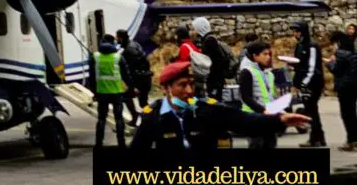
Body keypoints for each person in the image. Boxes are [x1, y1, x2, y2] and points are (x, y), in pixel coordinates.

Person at [131, 61, 310, 153]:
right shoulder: (151, 116)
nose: (189, 90)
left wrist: (280, 121)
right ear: (166, 88)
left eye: (191, 85)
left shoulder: (207, 110)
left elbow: (245, 121)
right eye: (182, 85)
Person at [89, 33, 135, 148]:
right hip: (116, 93)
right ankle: (121, 142)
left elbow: (92, 78)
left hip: (101, 92)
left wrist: (94, 92)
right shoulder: (118, 57)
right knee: (118, 118)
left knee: (101, 119)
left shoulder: (95, 57)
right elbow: (126, 75)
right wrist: (131, 88)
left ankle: (98, 143)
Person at [291, 20, 327, 147]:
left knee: (311, 110)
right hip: (305, 82)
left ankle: (315, 138)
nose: (295, 34)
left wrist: (304, 83)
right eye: (294, 31)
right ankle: (318, 137)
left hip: (313, 82)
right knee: (312, 110)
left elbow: (312, 67)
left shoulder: (311, 46)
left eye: (297, 31)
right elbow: (299, 64)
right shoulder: (299, 45)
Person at [238, 41, 278, 149]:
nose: (268, 57)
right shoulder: (247, 72)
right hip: (253, 118)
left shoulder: (269, 74)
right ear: (255, 56)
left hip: (268, 117)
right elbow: (246, 97)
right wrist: (262, 110)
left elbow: (270, 97)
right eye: (264, 54)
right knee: (256, 146)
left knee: (271, 144)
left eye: (269, 54)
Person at [116, 29, 152, 127]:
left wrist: (133, 86)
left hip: (140, 79)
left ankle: (138, 116)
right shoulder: (134, 44)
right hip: (146, 77)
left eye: (117, 37)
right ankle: (150, 118)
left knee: (126, 97)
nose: (116, 40)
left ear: (121, 38)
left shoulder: (128, 51)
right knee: (143, 103)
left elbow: (131, 70)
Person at [328, 31, 357, 151]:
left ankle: (352, 140)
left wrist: (329, 63)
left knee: (346, 115)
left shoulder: (340, 53)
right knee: (352, 114)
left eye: (333, 44)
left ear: (337, 42)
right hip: (354, 86)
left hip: (344, 88)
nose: (332, 47)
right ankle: (353, 140)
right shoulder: (352, 52)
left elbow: (336, 70)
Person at [193, 17, 231, 102]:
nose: (194, 31)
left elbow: (213, 61)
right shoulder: (209, 38)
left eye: (195, 28)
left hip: (214, 80)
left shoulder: (209, 40)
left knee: (214, 103)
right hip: (216, 79)